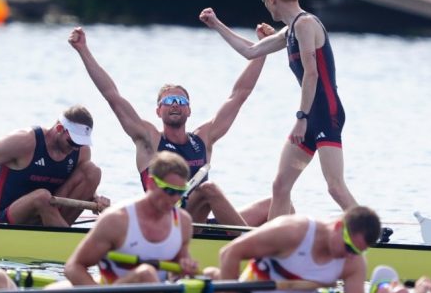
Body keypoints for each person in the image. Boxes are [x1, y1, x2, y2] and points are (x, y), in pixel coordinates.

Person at [68, 25, 275, 226]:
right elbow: (112, 96)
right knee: (208, 189)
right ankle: (246, 245)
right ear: (158, 111)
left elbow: (239, 95)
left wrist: (263, 49)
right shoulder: (149, 139)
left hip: (198, 223)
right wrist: (83, 50)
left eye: (181, 101)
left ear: (189, 111)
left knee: (275, 202)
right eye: (168, 101)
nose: (175, 104)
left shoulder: (204, 138)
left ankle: (286, 248)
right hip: (166, 225)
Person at [199, 0, 360, 220]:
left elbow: (312, 74)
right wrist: (216, 24)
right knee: (280, 186)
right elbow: (251, 51)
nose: (264, 4)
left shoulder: (306, 24)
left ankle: (369, 234)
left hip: (325, 113)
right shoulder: (290, 30)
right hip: (308, 117)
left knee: (335, 187)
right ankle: (275, 244)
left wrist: (301, 117)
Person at [63, 151, 199, 293]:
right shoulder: (116, 220)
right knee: (146, 273)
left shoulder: (183, 222)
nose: (175, 199)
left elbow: (178, 270)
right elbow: (73, 267)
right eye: (169, 191)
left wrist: (187, 267)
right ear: (151, 183)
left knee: (212, 274)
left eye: (181, 192)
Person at [215, 205, 381, 293]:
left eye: (358, 252)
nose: (351, 256)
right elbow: (229, 253)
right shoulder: (292, 231)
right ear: (338, 227)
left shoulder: (354, 264)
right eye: (349, 247)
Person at [0, 105, 108, 236]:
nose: (75, 148)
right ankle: (71, 244)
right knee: (42, 197)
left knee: (92, 171)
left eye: (80, 143)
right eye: (72, 141)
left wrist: (95, 198)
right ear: (59, 128)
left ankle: (62, 236)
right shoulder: (24, 141)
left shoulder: (81, 152)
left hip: (50, 214)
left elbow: (82, 183)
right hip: (5, 220)